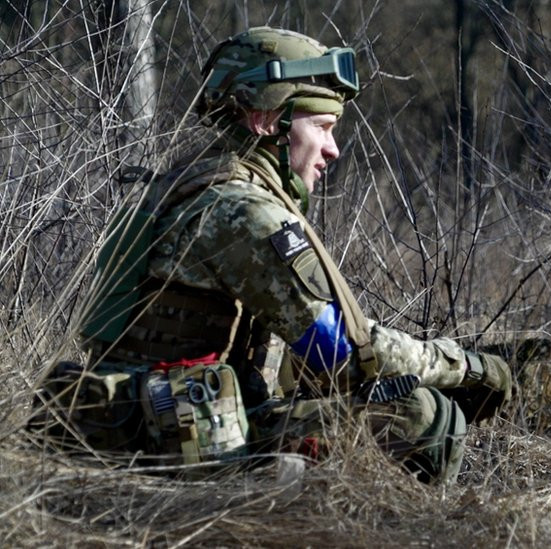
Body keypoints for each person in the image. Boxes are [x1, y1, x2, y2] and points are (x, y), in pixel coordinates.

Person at [34, 26, 511, 484]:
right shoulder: (243, 212)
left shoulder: (181, 187)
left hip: (134, 422)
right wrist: (467, 366)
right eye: (322, 127)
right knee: (423, 418)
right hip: (177, 439)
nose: (332, 149)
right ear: (265, 118)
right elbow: (344, 353)